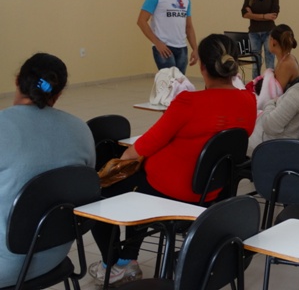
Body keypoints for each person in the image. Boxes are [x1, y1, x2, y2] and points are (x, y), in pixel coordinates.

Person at [89, 34, 257, 285]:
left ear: (202, 67)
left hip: (169, 190)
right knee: (137, 183)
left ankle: (112, 264)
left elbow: (146, 145)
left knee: (99, 195)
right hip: (211, 191)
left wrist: (120, 164)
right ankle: (127, 259)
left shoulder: (189, 102)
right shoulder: (248, 101)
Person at [0, 53, 95, 287]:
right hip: (53, 256)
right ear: (58, 93)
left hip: (6, 266)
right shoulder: (81, 130)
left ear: (16, 80)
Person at [137, 0, 198, 75]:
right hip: (164, 48)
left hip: (182, 48)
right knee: (170, 82)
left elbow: (189, 26)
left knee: (179, 83)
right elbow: (141, 21)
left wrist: (195, 49)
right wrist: (157, 43)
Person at [241, 0, 280, 79]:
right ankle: (255, 85)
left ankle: (270, 85)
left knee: (270, 62)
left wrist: (253, 15)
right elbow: (244, 14)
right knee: (255, 64)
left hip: (269, 32)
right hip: (254, 32)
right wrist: (264, 16)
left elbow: (273, 16)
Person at [252, 24, 299, 110]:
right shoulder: (283, 59)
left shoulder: (286, 63)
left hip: (284, 107)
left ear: (273, 42)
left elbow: (275, 94)